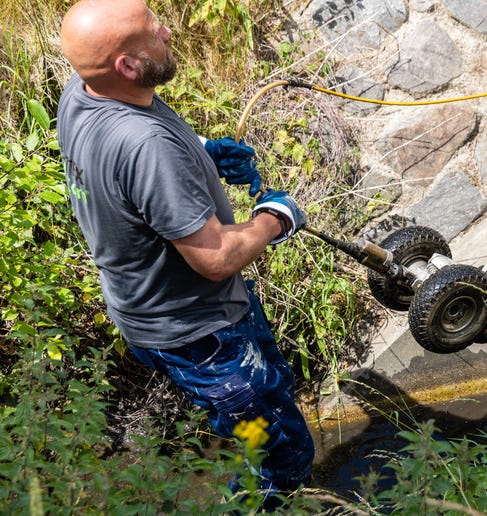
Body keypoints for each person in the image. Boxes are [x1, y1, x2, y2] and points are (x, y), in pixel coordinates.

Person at [57, 0, 314, 507]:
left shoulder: (84, 93)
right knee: (271, 450)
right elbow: (216, 257)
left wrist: (201, 153)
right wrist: (276, 218)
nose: (169, 31)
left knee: (272, 395)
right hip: (201, 335)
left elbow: (130, 166)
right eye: (154, 30)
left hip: (161, 313)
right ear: (128, 65)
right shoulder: (146, 146)